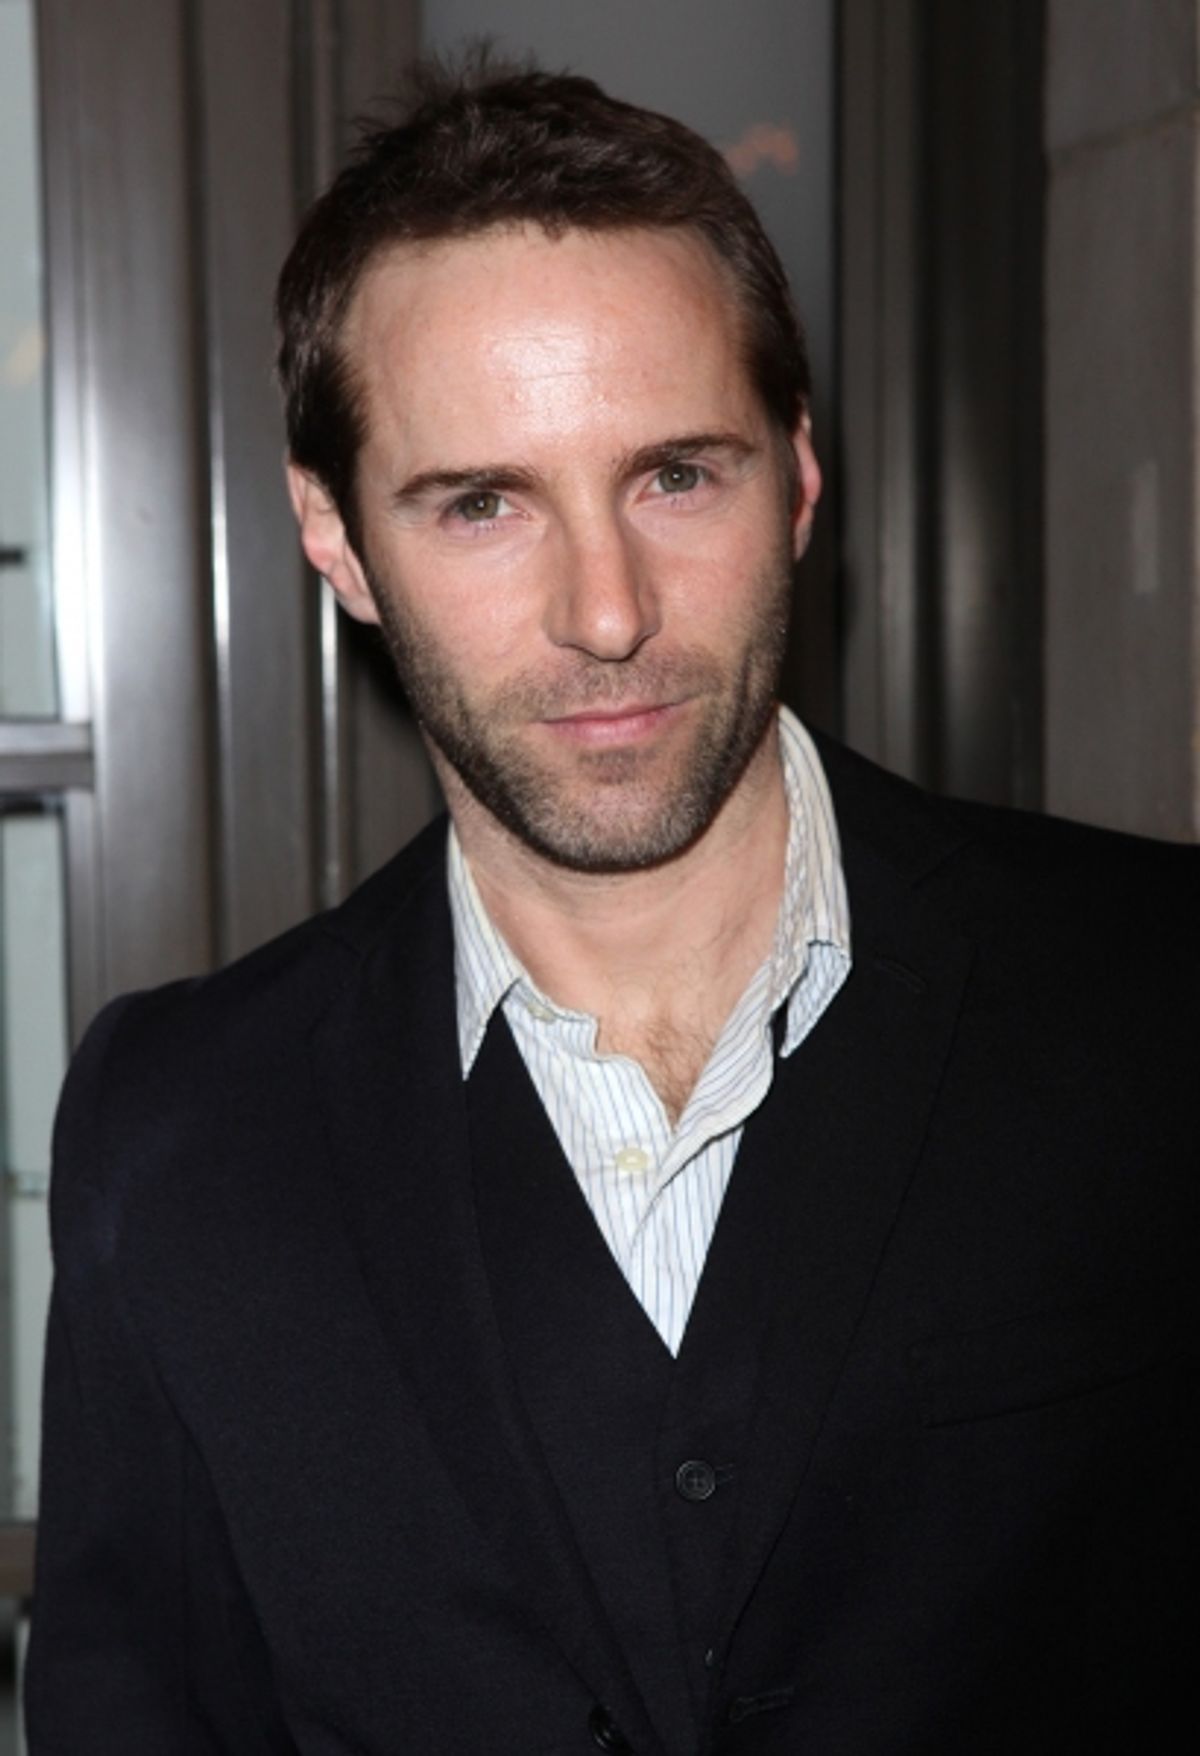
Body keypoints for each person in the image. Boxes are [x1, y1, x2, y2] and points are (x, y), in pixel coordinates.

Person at [26, 60, 1198, 1756]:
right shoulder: (178, 1136)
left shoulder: (1158, 999)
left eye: (676, 477)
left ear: (800, 476)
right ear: (336, 541)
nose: (605, 611)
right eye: (482, 504)